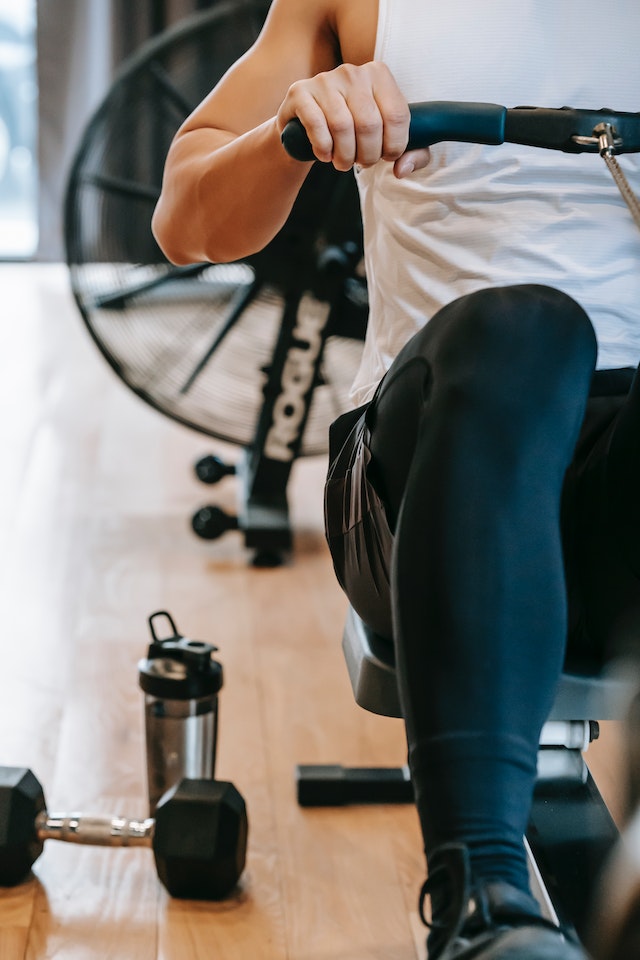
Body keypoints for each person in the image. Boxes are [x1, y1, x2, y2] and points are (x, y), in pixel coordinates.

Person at [152, 2, 640, 957]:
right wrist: (296, 125)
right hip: (427, 473)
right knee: (527, 329)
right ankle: (481, 901)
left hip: (617, 501)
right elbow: (185, 219)